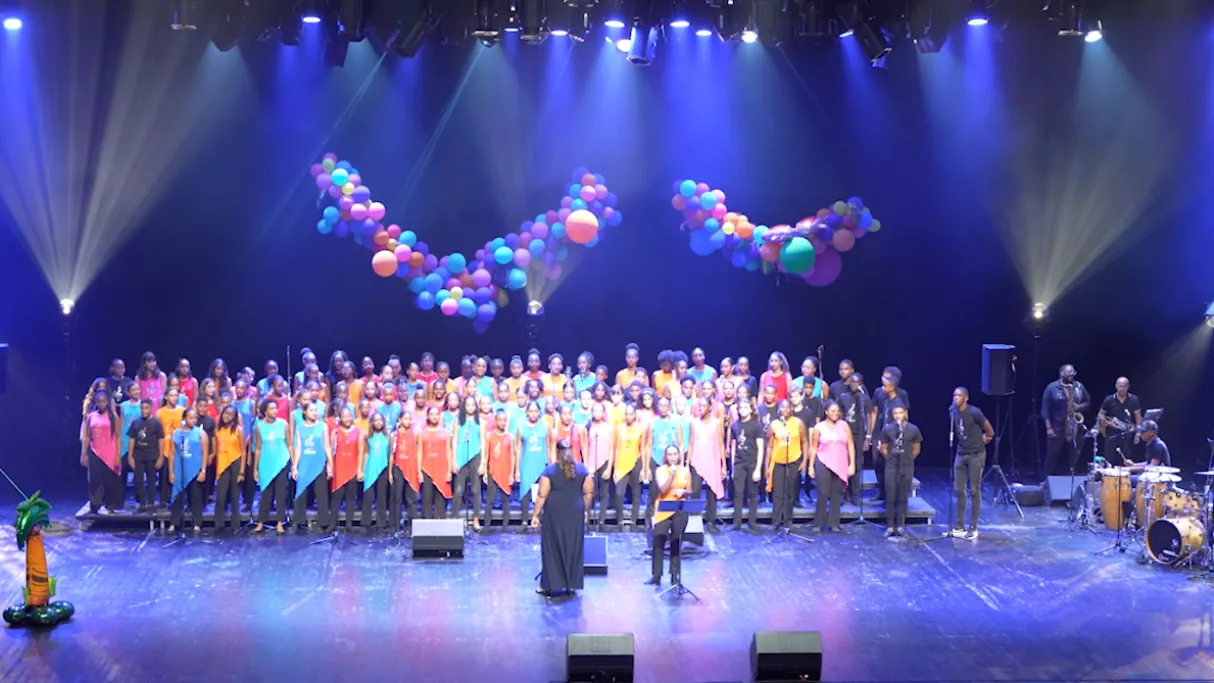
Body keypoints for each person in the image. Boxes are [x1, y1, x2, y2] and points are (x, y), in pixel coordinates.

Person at [532, 439, 594, 597]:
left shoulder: (550, 471)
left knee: (552, 548)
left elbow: (542, 495)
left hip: (555, 513)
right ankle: (571, 585)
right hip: (575, 512)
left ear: (557, 452)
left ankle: (549, 586)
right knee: (573, 547)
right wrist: (584, 510)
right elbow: (588, 493)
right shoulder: (582, 469)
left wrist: (535, 515)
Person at [951, 387, 994, 539]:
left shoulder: (975, 412)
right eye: (954, 395)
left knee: (975, 490)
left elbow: (990, 431)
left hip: (976, 455)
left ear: (966, 398)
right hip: (961, 454)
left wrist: (984, 439)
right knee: (959, 489)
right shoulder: (953, 412)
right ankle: (959, 525)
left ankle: (973, 527)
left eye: (959, 395)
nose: (955, 397)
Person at [647, 445, 692, 586]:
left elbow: (690, 490)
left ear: (679, 456)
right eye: (669, 454)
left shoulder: (685, 471)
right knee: (658, 540)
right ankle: (656, 575)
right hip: (663, 509)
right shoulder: (661, 470)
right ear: (665, 457)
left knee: (676, 542)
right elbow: (663, 488)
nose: (672, 457)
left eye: (675, 454)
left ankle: (674, 575)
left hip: (679, 508)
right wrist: (671, 475)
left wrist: (683, 492)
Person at [808, 401, 856, 533]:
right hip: (823, 462)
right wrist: (811, 466)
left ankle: (834, 523)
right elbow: (813, 448)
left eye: (837, 411)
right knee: (823, 493)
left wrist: (852, 464)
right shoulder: (819, 427)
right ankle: (818, 523)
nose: (835, 414)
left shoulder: (844, 425)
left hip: (840, 463)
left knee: (836, 494)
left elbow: (850, 445)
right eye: (832, 411)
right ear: (826, 412)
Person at [879, 404, 922, 538]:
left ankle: (901, 525)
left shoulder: (913, 429)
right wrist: (890, 458)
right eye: (895, 413)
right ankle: (890, 526)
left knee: (903, 496)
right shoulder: (888, 429)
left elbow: (916, 449)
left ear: (905, 413)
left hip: (907, 466)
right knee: (891, 496)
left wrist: (909, 459)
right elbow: (883, 447)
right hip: (892, 466)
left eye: (900, 413)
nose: (898, 415)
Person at [1040, 364, 1090, 478]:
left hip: (1076, 426)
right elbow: (1045, 409)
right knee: (1052, 455)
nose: (1073, 374)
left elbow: (1088, 402)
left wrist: (1079, 407)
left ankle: (1071, 479)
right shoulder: (1052, 388)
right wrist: (1048, 428)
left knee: (1075, 455)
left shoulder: (1079, 386)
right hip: (1057, 426)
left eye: (1073, 371)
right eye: (1070, 371)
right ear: (1062, 373)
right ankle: (1046, 480)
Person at [867, 367, 909, 503]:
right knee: (877, 462)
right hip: (880, 430)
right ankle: (882, 492)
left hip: (893, 433)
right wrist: (870, 433)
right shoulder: (879, 392)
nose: (883, 380)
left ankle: (893, 494)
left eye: (886, 378)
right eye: (883, 376)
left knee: (890, 464)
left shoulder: (901, 394)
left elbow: (905, 415)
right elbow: (874, 412)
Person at [766, 400, 808, 531]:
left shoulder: (798, 423)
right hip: (778, 461)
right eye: (782, 407)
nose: (785, 409)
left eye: (787, 407)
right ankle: (776, 521)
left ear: (791, 409)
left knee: (790, 493)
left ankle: (787, 521)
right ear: (778, 409)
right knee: (778, 493)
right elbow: (770, 446)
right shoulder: (774, 424)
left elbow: (805, 442)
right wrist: (766, 465)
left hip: (794, 460)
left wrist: (804, 461)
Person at [290, 402, 330, 533]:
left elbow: (327, 446)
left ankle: (323, 522)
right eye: (311, 410)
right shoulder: (299, 428)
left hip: (319, 463)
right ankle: (298, 521)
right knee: (300, 492)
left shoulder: (323, 426)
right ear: (304, 412)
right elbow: (299, 448)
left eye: (316, 410)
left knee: (321, 494)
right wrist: (295, 466)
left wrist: (330, 464)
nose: (315, 412)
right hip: (305, 463)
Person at [253, 398, 291, 534]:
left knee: (281, 494)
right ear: (265, 411)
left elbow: (289, 444)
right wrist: (255, 469)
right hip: (266, 463)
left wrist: (293, 463)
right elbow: (258, 448)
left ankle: (280, 522)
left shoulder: (283, 424)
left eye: (276, 408)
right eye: (271, 408)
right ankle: (261, 522)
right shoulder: (259, 427)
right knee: (265, 494)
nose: (275, 411)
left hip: (281, 462)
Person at [81, 390, 123, 514]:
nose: (101, 404)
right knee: (95, 480)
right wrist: (83, 453)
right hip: (94, 451)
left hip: (110, 452)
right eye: (99, 402)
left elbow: (118, 436)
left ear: (108, 402)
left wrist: (118, 455)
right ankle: (95, 505)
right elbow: (87, 436)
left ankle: (109, 505)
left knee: (109, 480)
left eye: (104, 401)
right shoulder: (91, 416)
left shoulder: (113, 417)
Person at [687, 398, 725, 531]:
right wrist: (687, 464)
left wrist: (723, 465)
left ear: (710, 407)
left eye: (703, 405)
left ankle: (710, 521)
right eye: (699, 406)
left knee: (712, 492)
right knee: (695, 491)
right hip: (696, 461)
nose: (700, 408)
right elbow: (691, 443)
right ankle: (694, 521)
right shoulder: (694, 423)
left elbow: (720, 443)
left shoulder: (716, 423)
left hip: (712, 460)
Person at [168, 408, 208, 533]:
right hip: (180, 469)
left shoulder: (201, 433)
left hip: (195, 469)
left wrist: (203, 470)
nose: (193, 420)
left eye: (195, 418)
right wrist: (171, 471)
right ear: (184, 419)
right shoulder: (176, 434)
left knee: (196, 497)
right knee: (177, 497)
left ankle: (197, 523)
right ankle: (174, 522)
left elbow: (205, 452)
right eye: (191, 418)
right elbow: (172, 454)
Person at [730, 399, 764, 530]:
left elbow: (760, 448)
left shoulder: (756, 425)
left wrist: (758, 469)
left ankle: (752, 521)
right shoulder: (735, 425)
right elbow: (734, 446)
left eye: (745, 407)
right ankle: (737, 522)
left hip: (752, 462)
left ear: (751, 409)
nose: (743, 410)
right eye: (740, 408)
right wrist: (733, 467)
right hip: (739, 462)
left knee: (752, 493)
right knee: (738, 493)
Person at [611, 404, 646, 529]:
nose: (629, 416)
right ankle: (620, 521)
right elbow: (616, 449)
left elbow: (643, 449)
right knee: (619, 493)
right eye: (627, 414)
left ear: (635, 415)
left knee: (636, 493)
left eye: (631, 414)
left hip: (636, 462)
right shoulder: (619, 428)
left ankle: (633, 521)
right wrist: (615, 468)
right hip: (622, 463)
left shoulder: (641, 429)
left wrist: (644, 468)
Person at [452, 395, 485, 530]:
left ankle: (476, 520)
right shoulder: (458, 422)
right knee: (459, 490)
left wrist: (483, 462)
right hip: (461, 457)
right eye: (468, 405)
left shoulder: (480, 422)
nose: (470, 407)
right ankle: (454, 518)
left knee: (476, 489)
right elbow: (455, 441)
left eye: (473, 405)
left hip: (475, 457)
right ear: (464, 407)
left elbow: (483, 442)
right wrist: (454, 461)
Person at [837, 372, 870, 505]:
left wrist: (868, 437)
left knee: (857, 463)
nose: (853, 384)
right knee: (843, 462)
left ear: (861, 384)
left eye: (856, 382)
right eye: (852, 381)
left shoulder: (864, 399)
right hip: (845, 433)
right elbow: (838, 414)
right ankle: (843, 493)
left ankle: (855, 493)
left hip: (859, 434)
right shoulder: (843, 397)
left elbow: (869, 416)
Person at [126, 398, 164, 513]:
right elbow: (132, 439)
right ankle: (142, 503)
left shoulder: (156, 422)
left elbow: (160, 440)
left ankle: (151, 503)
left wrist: (160, 457)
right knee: (138, 480)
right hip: (138, 456)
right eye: (142, 408)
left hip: (152, 455)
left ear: (151, 409)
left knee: (152, 480)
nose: (144, 410)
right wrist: (130, 456)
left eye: (146, 408)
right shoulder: (136, 422)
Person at [480, 410, 516, 530]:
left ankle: (505, 526)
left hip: (505, 471)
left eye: (504, 420)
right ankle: (486, 525)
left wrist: (512, 474)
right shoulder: (490, 436)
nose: (502, 422)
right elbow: (486, 454)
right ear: (496, 421)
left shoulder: (510, 437)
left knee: (505, 500)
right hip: (492, 471)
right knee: (490, 499)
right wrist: (485, 471)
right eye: (499, 420)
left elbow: (512, 455)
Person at [329, 406, 363, 531]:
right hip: (339, 469)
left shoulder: (359, 432)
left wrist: (359, 469)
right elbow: (331, 451)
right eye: (344, 416)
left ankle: (349, 524)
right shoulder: (335, 432)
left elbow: (360, 451)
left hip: (353, 469)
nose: (347, 419)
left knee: (350, 498)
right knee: (336, 498)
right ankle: (332, 523)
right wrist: (330, 467)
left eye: (349, 416)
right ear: (340, 418)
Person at [213, 405, 246, 532]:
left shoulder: (238, 430)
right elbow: (216, 450)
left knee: (234, 496)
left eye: (231, 414)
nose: (227, 416)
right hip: (222, 463)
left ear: (234, 417)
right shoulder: (219, 430)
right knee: (220, 497)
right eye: (226, 413)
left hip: (236, 462)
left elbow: (243, 451)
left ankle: (235, 524)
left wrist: (242, 472)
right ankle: (218, 524)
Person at [1097, 377, 1142, 467]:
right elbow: (1100, 415)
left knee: (1126, 461)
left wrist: (1138, 433)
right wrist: (1108, 423)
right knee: (1109, 461)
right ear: (1116, 386)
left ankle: (1125, 480)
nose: (1122, 389)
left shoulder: (1134, 399)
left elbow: (1138, 417)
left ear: (1128, 387)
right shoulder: (1109, 399)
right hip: (1111, 435)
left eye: (1124, 386)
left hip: (1127, 434)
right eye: (1120, 386)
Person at [420, 405, 455, 519]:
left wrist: (449, 471)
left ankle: (440, 524)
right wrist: (419, 471)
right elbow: (419, 452)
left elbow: (448, 452)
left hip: (442, 469)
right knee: (427, 498)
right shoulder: (422, 433)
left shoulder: (445, 433)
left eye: (436, 414)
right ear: (428, 416)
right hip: (426, 469)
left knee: (440, 498)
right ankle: (427, 526)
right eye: (431, 414)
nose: (434, 417)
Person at [389, 410, 422, 532]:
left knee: (411, 499)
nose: (408, 421)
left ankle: (411, 526)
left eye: (409, 419)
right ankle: (395, 526)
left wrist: (418, 471)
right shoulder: (394, 435)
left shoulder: (416, 434)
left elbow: (418, 453)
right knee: (396, 498)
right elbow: (391, 455)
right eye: (405, 419)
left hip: (412, 468)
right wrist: (390, 473)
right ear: (400, 420)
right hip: (398, 468)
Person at [583, 402, 614, 530]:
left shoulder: (609, 428)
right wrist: (586, 466)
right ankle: (587, 519)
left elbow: (612, 449)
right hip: (591, 462)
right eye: (594, 411)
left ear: (603, 413)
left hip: (605, 461)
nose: (597, 413)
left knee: (604, 493)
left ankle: (601, 521)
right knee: (589, 492)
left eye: (599, 411)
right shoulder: (588, 428)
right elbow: (584, 447)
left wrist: (609, 467)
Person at [361, 412, 392, 532]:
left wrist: (389, 472)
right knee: (368, 496)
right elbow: (366, 453)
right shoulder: (367, 436)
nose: (378, 422)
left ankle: (381, 524)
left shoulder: (388, 437)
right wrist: (362, 469)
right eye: (376, 420)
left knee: (381, 497)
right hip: (370, 468)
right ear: (372, 423)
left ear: (384, 422)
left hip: (383, 469)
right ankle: (365, 523)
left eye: (380, 420)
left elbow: (390, 455)